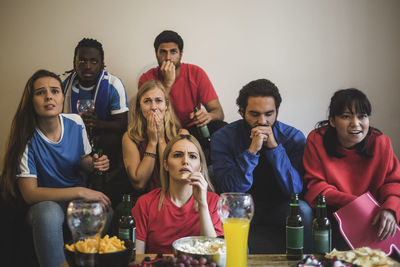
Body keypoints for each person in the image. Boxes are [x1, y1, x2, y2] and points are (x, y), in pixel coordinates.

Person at [0, 70, 111, 267]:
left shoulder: (76, 122)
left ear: (61, 97)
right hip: (44, 203)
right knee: (48, 213)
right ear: (31, 101)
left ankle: (82, 261)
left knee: (104, 209)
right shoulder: (25, 137)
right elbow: (30, 194)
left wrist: (95, 163)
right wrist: (81, 191)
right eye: (40, 92)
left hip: (75, 202)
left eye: (54, 91)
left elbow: (83, 161)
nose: (49, 96)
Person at [210, 78, 312, 253]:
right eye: (254, 114)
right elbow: (230, 189)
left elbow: (294, 190)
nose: (262, 121)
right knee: (229, 213)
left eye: (269, 114)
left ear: (277, 111)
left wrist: (274, 148)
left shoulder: (293, 137)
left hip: (280, 204)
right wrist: (252, 151)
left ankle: (308, 263)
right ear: (242, 111)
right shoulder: (223, 138)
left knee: (303, 210)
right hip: (240, 206)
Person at [303, 88, 400, 250]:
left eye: (362, 116)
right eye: (346, 116)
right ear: (332, 121)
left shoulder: (381, 142)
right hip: (334, 211)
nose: (355, 124)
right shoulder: (316, 139)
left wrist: (390, 209)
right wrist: (358, 205)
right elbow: (316, 186)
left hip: (375, 215)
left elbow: (393, 183)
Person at [62, 38, 129, 206]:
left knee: (112, 138)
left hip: (103, 142)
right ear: (74, 62)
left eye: (94, 61)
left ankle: (102, 180)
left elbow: (122, 124)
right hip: (71, 140)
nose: (88, 66)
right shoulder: (62, 84)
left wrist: (98, 124)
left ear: (102, 64)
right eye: (82, 60)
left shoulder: (113, 84)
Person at [132, 134, 223, 254]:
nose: (185, 161)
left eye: (192, 156)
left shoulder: (213, 201)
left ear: (200, 167)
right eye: (177, 155)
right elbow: (137, 258)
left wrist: (202, 204)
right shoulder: (145, 203)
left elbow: (214, 253)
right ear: (165, 165)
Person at [138, 30, 225, 148]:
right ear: (156, 54)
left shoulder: (196, 73)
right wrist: (168, 83)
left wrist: (208, 116)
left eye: (173, 52)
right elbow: (145, 116)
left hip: (192, 129)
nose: (168, 58)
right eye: (163, 52)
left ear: (181, 54)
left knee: (220, 127)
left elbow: (218, 112)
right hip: (162, 128)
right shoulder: (146, 78)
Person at [122, 80, 182, 195]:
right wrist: (153, 142)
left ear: (166, 106)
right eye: (147, 101)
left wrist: (161, 139)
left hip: (173, 196)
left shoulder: (180, 134)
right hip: (143, 199)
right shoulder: (130, 137)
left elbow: (173, 178)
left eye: (158, 101)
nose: (153, 107)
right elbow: (139, 184)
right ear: (139, 107)